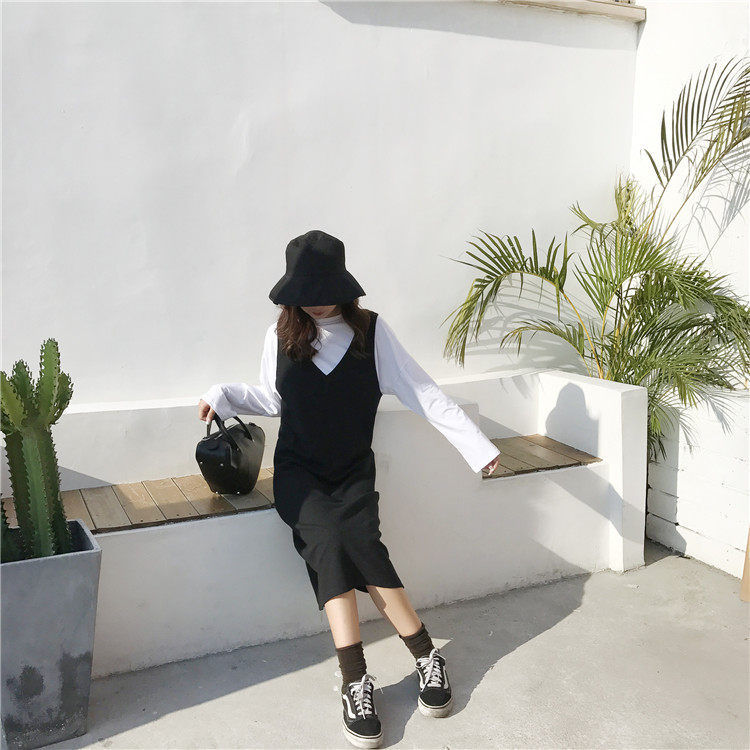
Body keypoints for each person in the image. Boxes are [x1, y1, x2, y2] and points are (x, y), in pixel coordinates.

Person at [198, 230, 501, 749]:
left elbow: (423, 392)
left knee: (358, 541)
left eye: (324, 290)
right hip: (298, 473)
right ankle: (356, 680)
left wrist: (477, 446)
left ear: (343, 285)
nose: (315, 301)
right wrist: (224, 393)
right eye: (305, 292)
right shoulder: (280, 335)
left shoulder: (373, 334)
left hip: (353, 471)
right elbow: (274, 399)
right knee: (330, 539)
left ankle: (426, 656)